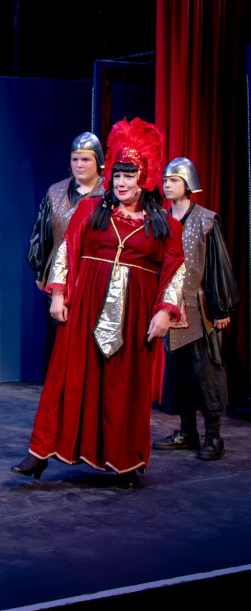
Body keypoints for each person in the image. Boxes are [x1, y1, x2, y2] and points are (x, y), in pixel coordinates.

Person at [12, 117, 186, 487]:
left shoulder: (163, 224)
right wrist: (59, 294)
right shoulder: (91, 211)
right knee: (67, 378)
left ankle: (125, 460)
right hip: (86, 307)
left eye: (129, 176)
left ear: (143, 178)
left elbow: (176, 269)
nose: (121, 183)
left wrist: (164, 312)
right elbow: (67, 251)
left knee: (125, 385)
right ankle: (40, 453)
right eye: (117, 176)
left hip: (134, 313)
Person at [153, 157, 239, 460]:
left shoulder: (205, 220)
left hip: (200, 310)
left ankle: (213, 436)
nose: (167, 185)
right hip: (171, 309)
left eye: (174, 180)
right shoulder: (160, 220)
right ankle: (186, 432)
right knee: (180, 373)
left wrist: (220, 308)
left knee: (207, 373)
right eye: (165, 180)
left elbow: (218, 266)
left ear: (188, 184)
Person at [28, 132, 106, 368]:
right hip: (59, 278)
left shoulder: (110, 193)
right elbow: (42, 232)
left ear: (98, 161)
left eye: (86, 159)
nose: (79, 165)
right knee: (58, 339)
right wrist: (40, 269)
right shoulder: (56, 192)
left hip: (95, 276)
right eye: (75, 159)